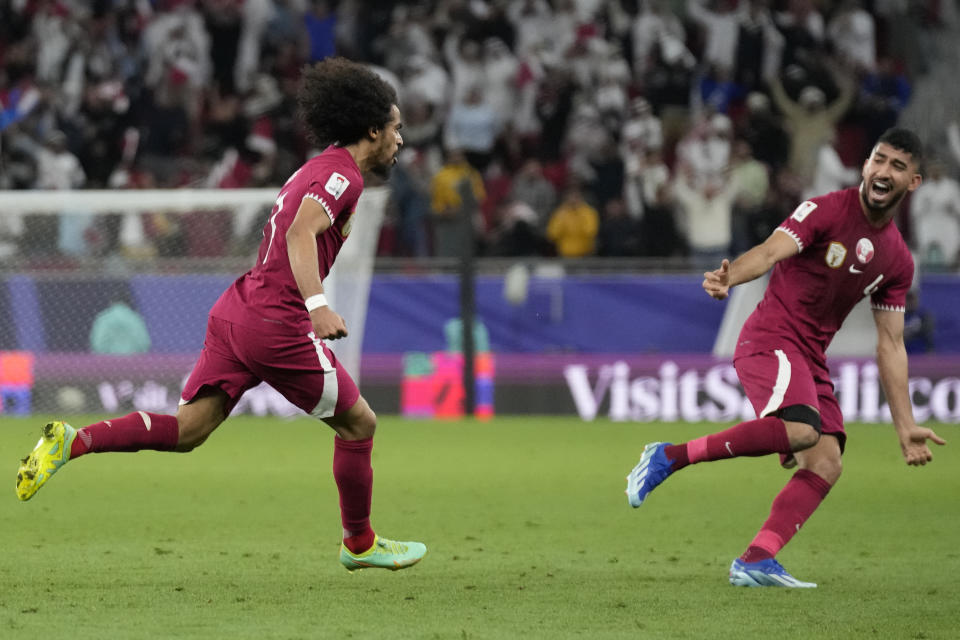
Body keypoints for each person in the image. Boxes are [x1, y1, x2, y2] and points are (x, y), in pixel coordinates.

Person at [16, 57, 427, 573]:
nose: (400, 140)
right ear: (373, 129)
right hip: (277, 322)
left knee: (189, 430)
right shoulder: (344, 175)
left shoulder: (319, 165)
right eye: (396, 129)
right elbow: (301, 234)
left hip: (238, 310)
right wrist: (318, 305)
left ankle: (73, 442)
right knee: (359, 423)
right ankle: (360, 543)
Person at [625, 128, 946, 588]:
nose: (883, 171)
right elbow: (773, 251)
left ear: (912, 183)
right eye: (879, 159)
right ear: (865, 165)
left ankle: (756, 560)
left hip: (810, 356)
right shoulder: (825, 209)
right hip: (770, 336)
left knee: (827, 461)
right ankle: (668, 456)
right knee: (801, 429)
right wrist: (729, 276)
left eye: (897, 166)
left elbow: (891, 344)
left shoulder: (897, 259)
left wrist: (905, 424)